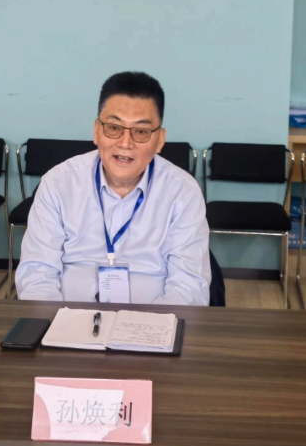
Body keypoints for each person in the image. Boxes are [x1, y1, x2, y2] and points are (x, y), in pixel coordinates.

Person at [16, 71, 211, 305]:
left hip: (153, 319)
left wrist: (147, 325)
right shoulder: (58, 184)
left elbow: (189, 286)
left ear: (160, 140)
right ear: (97, 131)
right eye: (114, 127)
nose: (125, 143)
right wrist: (56, 322)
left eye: (141, 131)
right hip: (65, 318)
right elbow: (37, 274)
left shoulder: (183, 192)